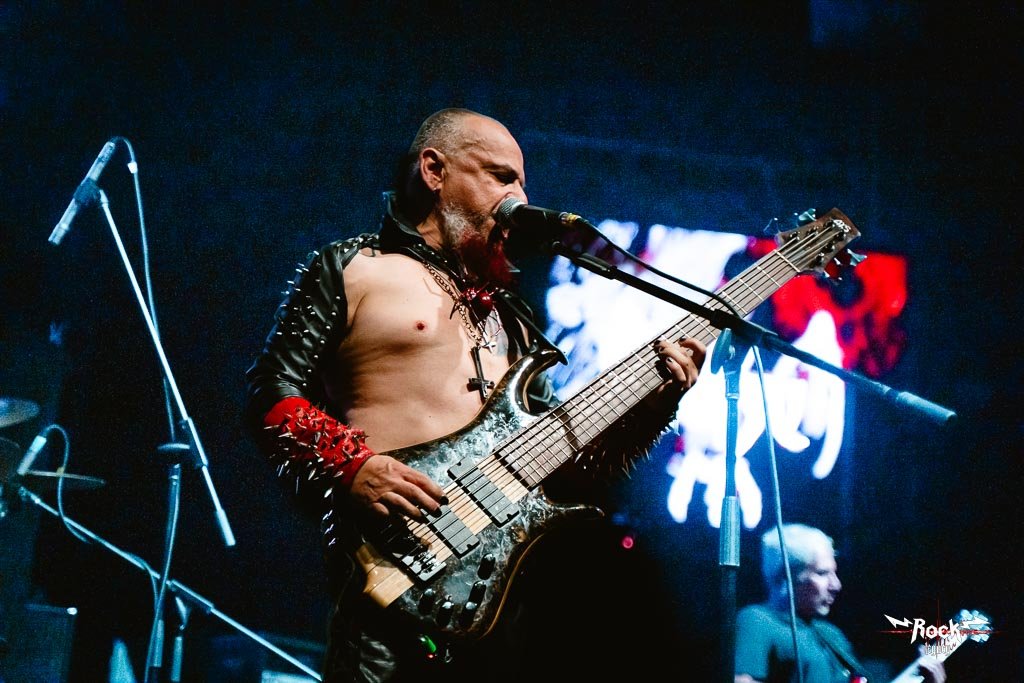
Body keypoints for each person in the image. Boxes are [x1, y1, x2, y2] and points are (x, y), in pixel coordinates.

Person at [244, 107, 707, 682]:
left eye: (523, 183)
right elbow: (271, 392)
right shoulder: (354, 267)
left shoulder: (513, 317)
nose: (520, 197)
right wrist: (352, 464)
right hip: (391, 580)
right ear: (434, 171)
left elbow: (570, 464)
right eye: (501, 176)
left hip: (500, 605)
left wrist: (657, 404)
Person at [735, 524, 946, 683]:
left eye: (834, 573)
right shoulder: (756, 620)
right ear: (785, 577)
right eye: (822, 573)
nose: (836, 585)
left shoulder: (831, 634)